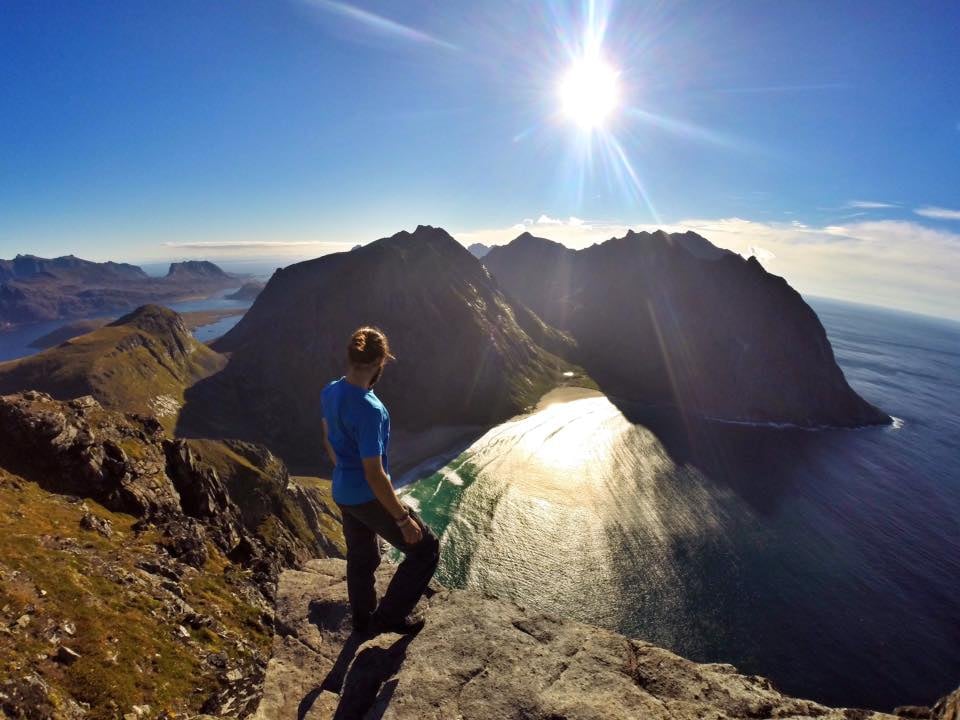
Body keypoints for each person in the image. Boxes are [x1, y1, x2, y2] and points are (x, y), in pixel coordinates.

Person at [320, 326, 440, 635]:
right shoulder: (371, 410)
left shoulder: (330, 390)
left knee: (363, 557)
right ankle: (388, 618)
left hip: (343, 490)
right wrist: (402, 519)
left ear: (350, 357)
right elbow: (374, 472)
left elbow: (328, 437)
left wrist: (343, 470)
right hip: (366, 494)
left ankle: (362, 620)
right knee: (425, 548)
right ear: (380, 362)